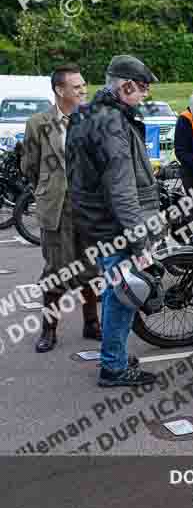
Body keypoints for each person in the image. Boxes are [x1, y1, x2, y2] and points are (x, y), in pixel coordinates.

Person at [67, 55, 160, 387]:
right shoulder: (112, 124)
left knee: (113, 292)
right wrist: (138, 243)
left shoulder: (86, 114)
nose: (145, 95)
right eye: (142, 89)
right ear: (125, 86)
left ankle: (114, 356)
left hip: (97, 223)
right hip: (115, 227)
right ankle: (114, 368)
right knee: (123, 297)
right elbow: (121, 190)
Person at [20, 63, 102, 353]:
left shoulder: (93, 119)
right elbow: (29, 166)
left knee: (91, 268)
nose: (83, 90)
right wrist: (49, 189)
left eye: (83, 85)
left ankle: (92, 324)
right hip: (56, 207)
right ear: (59, 90)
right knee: (55, 271)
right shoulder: (38, 124)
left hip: (88, 208)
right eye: (77, 86)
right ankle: (49, 330)